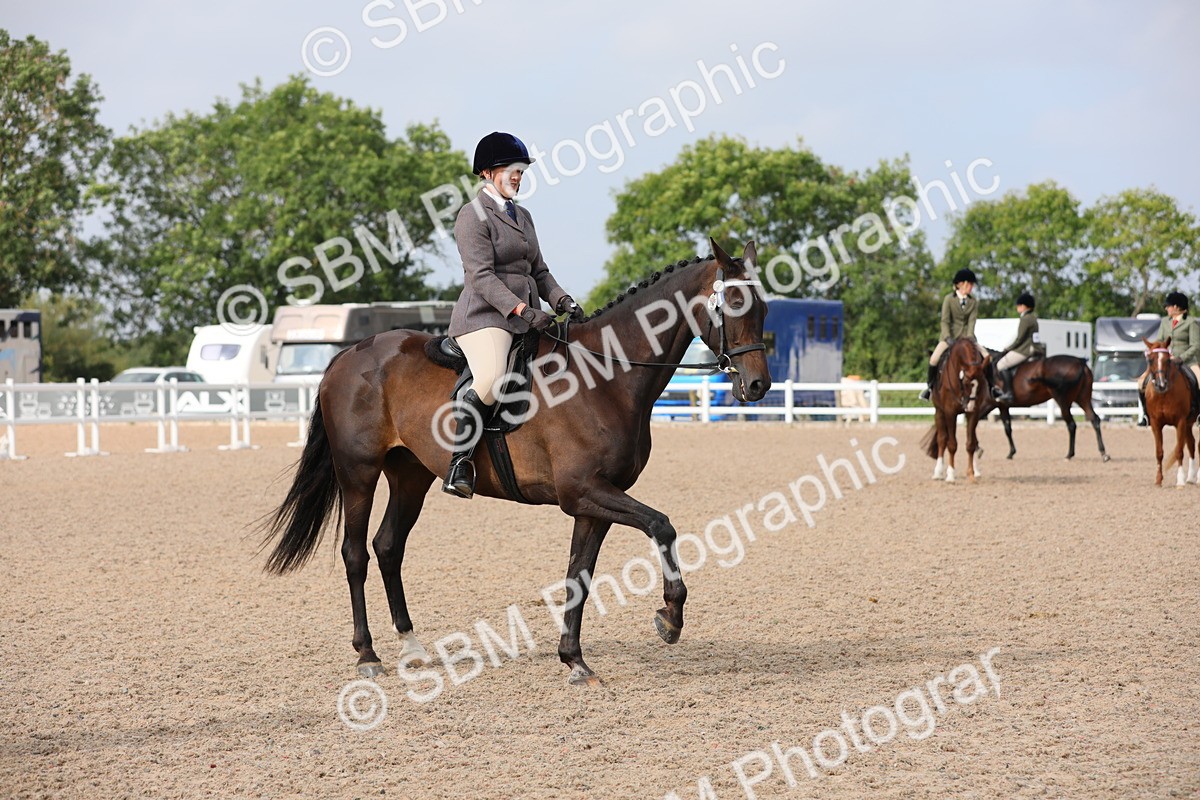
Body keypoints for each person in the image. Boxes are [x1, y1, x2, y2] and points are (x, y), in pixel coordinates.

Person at [442, 131, 584, 499]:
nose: (518, 177)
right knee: (490, 378)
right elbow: (481, 276)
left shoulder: (523, 216)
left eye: (521, 171)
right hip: (485, 318)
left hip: (528, 315)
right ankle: (460, 462)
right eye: (511, 170)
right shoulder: (472, 216)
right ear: (488, 173)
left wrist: (562, 300)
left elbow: (539, 270)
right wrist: (521, 308)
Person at [919, 268, 1002, 402]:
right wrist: (947, 337)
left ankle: (993, 387)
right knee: (934, 359)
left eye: (972, 285)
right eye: (969, 284)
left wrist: (969, 339)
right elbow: (945, 321)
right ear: (961, 284)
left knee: (988, 357)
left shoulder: (973, 302)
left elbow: (971, 322)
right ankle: (929, 388)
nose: (971, 287)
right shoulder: (948, 299)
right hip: (949, 338)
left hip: (968, 338)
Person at [1138, 291, 1200, 424]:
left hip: (1187, 361)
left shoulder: (1191, 323)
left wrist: (1181, 358)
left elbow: (1195, 345)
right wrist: (1152, 350)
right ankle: (1145, 414)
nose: (1166, 308)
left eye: (1168, 306)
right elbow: (1160, 341)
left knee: (1199, 382)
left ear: (1176, 307)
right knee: (1141, 382)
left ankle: (1198, 412)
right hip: (1166, 361)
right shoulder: (1165, 322)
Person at [993, 291, 1044, 403]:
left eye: (1019, 305)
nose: (1017, 307)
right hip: (1035, 348)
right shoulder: (1033, 318)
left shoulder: (1025, 319)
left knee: (1001, 365)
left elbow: (1020, 339)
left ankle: (1009, 393)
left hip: (1025, 350)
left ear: (1024, 306)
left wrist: (1008, 349)